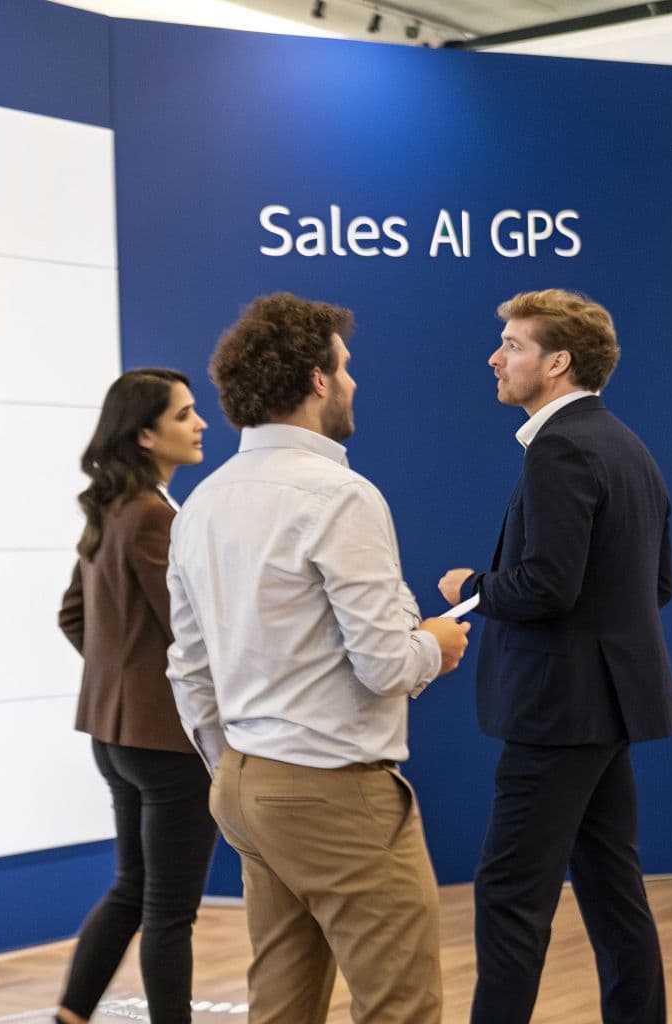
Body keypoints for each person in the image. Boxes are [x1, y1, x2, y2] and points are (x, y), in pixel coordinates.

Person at [166, 293, 469, 1024]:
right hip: (335, 791)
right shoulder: (340, 496)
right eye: (346, 366)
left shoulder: (201, 503)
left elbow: (189, 669)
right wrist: (436, 644)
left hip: (246, 782)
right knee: (399, 1006)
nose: (354, 381)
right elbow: (385, 665)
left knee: (283, 1004)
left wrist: (235, 767)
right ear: (318, 379)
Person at [438, 289, 672, 1024]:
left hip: (557, 711)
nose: (495, 358)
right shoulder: (627, 445)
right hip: (605, 707)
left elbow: (546, 586)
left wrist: (471, 587)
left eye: (512, 345)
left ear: (558, 362)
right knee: (611, 887)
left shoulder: (562, 447)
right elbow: (657, 586)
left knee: (510, 893)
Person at [55, 368, 215, 1024]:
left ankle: (71, 1014)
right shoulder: (153, 515)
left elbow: (73, 616)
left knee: (135, 890)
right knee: (170, 912)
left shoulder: (113, 509)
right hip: (164, 743)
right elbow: (189, 631)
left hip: (113, 737)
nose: (201, 423)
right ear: (146, 435)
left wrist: (121, 680)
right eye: (184, 414)